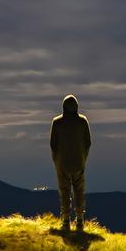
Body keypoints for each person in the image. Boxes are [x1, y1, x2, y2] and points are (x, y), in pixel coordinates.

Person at [49, 94, 92, 232]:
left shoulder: (57, 122)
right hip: (79, 163)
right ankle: (80, 221)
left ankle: (66, 221)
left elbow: (53, 144)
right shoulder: (83, 121)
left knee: (65, 191)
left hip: (62, 164)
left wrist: (57, 160)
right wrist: (83, 158)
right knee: (79, 191)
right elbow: (88, 142)